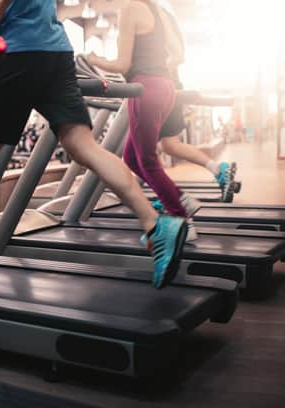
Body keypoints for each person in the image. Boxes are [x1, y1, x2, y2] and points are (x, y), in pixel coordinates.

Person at [0, 0, 188, 290]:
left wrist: (0, 8)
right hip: (57, 51)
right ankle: (154, 224)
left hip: (18, 49)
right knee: (83, 145)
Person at [85, 0, 200, 240]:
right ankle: (179, 198)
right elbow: (169, 53)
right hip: (164, 86)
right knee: (131, 158)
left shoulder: (128, 9)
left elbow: (122, 64)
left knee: (147, 160)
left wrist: (94, 60)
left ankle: (183, 221)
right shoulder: (153, 9)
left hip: (145, 87)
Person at [152, 1, 237, 203]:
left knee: (142, 147)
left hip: (161, 86)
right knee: (170, 145)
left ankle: (166, 195)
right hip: (163, 84)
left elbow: (177, 55)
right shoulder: (156, 12)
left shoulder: (155, 13)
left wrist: (155, 72)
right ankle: (218, 169)